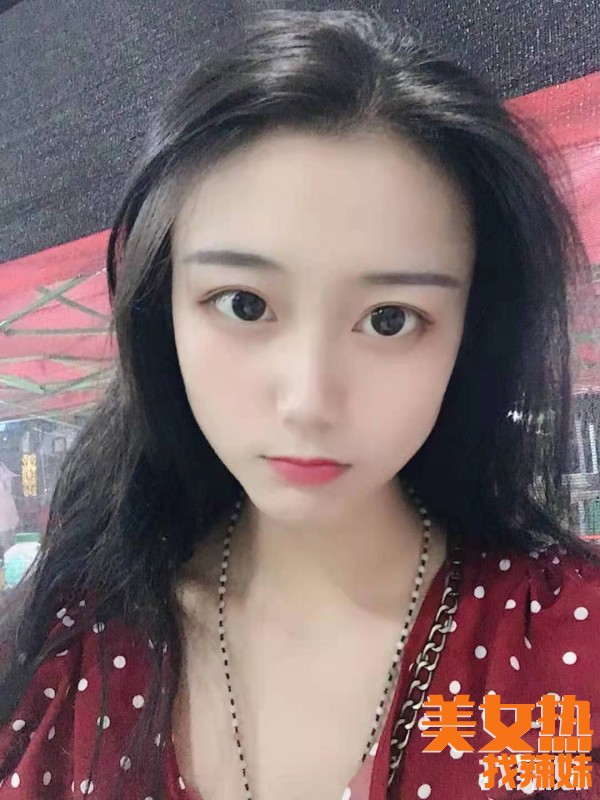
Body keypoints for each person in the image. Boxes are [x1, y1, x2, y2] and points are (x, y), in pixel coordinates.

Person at [0, 8, 599, 800]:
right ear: (160, 309)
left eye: (390, 319)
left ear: (471, 332)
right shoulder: (63, 647)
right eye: (244, 304)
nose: (309, 400)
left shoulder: (571, 642)